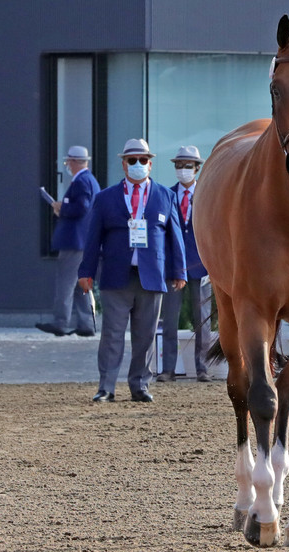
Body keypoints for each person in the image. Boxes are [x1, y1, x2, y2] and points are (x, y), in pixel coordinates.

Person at [78, 139, 187, 404]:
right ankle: (106, 387)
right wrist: (86, 271)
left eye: (142, 160)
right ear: (123, 164)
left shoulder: (166, 196)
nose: (137, 164)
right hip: (116, 277)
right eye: (131, 160)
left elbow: (175, 237)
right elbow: (93, 238)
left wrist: (179, 270)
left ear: (150, 164)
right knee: (112, 335)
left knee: (146, 336)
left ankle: (140, 385)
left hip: (152, 276)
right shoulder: (105, 198)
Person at [157, 146, 213, 383]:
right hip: (174, 267)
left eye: (187, 166)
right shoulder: (167, 195)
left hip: (202, 265)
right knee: (170, 318)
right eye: (179, 165)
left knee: (203, 320)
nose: (182, 170)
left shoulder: (208, 194)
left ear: (197, 168)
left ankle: (202, 368)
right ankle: (168, 369)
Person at [36, 146, 100, 337]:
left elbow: (81, 208)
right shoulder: (90, 181)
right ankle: (86, 323)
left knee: (65, 283)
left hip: (74, 242)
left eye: (68, 162)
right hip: (84, 241)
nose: (67, 166)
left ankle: (60, 322)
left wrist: (61, 208)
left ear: (73, 162)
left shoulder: (81, 181)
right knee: (81, 285)